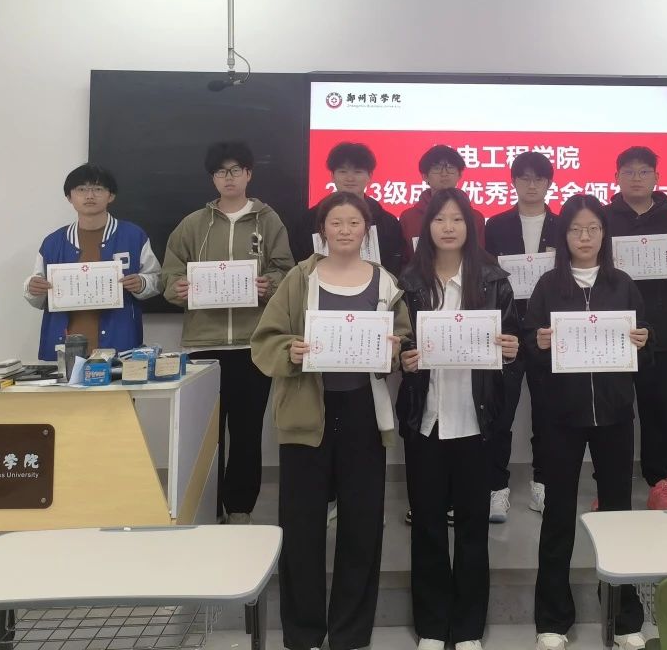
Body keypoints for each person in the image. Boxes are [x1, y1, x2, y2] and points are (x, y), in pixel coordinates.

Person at [251, 191, 410, 650]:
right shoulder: (300, 278)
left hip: (363, 413)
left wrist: (395, 348)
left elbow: (401, 336)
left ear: (366, 230)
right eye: (336, 222)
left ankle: (350, 633)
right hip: (307, 412)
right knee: (301, 525)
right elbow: (265, 340)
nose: (344, 230)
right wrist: (291, 350)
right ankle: (303, 633)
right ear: (322, 230)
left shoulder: (384, 281)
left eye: (353, 223)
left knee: (362, 525)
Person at [524, 194, 651, 650]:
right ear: (564, 236)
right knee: (558, 515)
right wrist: (538, 343)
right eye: (576, 229)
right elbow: (528, 348)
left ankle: (624, 616)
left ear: (604, 234)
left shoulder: (622, 284)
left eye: (593, 229)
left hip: (614, 414)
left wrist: (643, 340)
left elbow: (644, 353)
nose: (584, 237)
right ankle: (552, 619)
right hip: (560, 417)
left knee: (618, 514)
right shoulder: (547, 286)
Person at [397, 188, 522, 650]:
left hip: (476, 421)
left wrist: (512, 349)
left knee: (472, 527)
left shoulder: (493, 279)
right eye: (439, 219)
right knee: (427, 525)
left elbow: (513, 343)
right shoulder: (408, 282)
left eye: (457, 219)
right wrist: (403, 359)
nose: (448, 227)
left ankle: (468, 628)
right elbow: (395, 342)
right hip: (426, 419)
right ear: (427, 226)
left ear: (470, 226)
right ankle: (431, 626)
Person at [160, 141, 294, 524]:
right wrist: (176, 288)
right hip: (204, 345)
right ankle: (206, 508)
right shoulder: (193, 224)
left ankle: (239, 509)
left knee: (247, 433)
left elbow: (287, 270)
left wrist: (269, 284)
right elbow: (170, 273)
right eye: (221, 171)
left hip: (253, 345)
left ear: (249, 174)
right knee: (207, 435)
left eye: (236, 170)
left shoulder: (269, 221)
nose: (229, 177)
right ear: (213, 178)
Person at [604, 146, 667, 510]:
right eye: (628, 172)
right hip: (610, 331)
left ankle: (660, 482)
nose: (636, 178)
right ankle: (610, 484)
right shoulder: (602, 218)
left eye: (644, 171)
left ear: (657, 178)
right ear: (616, 177)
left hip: (660, 330)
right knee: (613, 412)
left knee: (657, 409)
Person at [483, 150, 560, 520]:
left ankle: (542, 483)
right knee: (501, 413)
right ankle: (496, 487)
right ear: (513, 182)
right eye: (524, 178)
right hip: (508, 329)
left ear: (549, 183)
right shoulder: (495, 225)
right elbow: (486, 277)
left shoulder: (562, 226)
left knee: (547, 412)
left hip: (548, 329)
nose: (532, 185)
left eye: (539, 178)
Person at [24, 162, 160, 358]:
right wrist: (33, 288)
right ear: (69, 197)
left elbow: (156, 278)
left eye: (98, 189)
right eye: (81, 189)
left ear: (111, 195)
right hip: (65, 347)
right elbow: (37, 295)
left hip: (119, 343)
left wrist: (142, 283)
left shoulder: (133, 236)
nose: (89, 195)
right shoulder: (53, 242)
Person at [291, 141, 406, 275]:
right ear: (332, 176)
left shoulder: (388, 223)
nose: (350, 178)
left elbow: (394, 265)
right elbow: (300, 262)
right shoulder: (310, 220)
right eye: (343, 171)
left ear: (370, 176)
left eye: (358, 172)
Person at [400, 145, 486, 258]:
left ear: (460, 174)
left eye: (450, 167)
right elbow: (404, 261)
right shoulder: (409, 218)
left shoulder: (475, 217)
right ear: (425, 176)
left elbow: (479, 259)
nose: (444, 173)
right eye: (437, 168)